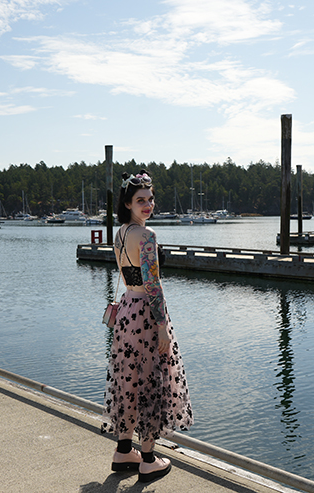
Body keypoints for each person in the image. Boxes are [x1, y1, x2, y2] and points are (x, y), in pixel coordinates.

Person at [103, 170, 194, 483]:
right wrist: (162, 326)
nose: (148, 204)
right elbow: (153, 284)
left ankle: (123, 450)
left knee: (127, 379)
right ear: (128, 202)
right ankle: (148, 459)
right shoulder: (147, 236)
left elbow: (131, 278)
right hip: (145, 314)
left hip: (127, 309)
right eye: (141, 200)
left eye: (151, 198)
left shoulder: (120, 234)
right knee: (151, 381)